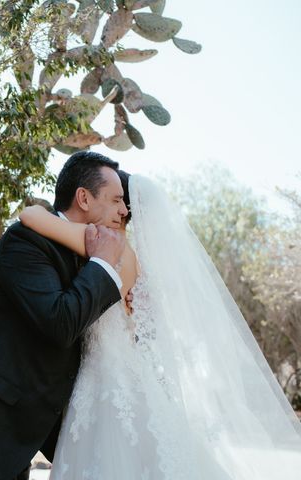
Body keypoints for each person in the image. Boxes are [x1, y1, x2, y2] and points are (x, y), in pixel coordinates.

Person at [19, 173, 301, 479]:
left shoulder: (116, 252)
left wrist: (37, 211)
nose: (117, 209)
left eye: (117, 201)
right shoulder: (128, 258)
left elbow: (32, 217)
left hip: (109, 389)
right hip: (110, 382)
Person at [0, 151, 131, 479]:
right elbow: (59, 323)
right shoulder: (28, 242)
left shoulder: (83, 253)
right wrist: (103, 264)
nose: (123, 211)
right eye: (116, 199)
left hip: (21, 426)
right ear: (84, 198)